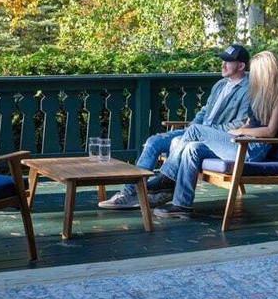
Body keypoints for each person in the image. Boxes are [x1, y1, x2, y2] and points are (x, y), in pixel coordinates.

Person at [97, 43, 254, 209]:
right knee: (154, 141)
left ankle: (165, 180)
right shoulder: (221, 84)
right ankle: (130, 192)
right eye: (223, 60)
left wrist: (205, 131)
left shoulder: (247, 90)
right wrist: (195, 125)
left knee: (183, 139)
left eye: (228, 61)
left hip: (215, 139)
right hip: (196, 131)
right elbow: (205, 110)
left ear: (241, 66)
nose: (222, 64)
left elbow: (241, 123)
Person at [153, 50, 278, 219]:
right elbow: (252, 121)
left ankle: (166, 178)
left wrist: (241, 131)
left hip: (251, 150)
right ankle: (182, 206)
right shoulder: (258, 94)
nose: (252, 74)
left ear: (266, 72)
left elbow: (270, 131)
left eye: (255, 71)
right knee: (191, 148)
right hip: (241, 142)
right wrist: (244, 126)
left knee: (195, 130)